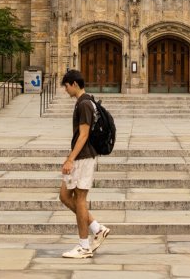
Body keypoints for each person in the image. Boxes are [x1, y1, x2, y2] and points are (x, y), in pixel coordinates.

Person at [58, 69, 109, 259]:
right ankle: (97, 228)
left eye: (66, 86)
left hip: (84, 157)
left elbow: (84, 134)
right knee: (64, 195)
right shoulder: (82, 102)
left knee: (79, 200)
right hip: (79, 156)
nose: (65, 90)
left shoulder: (85, 104)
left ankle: (84, 246)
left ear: (75, 84)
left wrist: (71, 159)